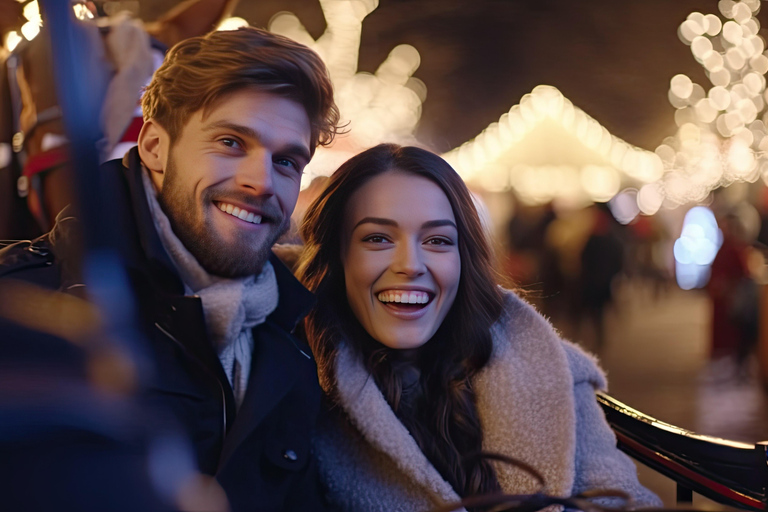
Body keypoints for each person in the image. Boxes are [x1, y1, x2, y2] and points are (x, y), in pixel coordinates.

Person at [0, 27, 340, 512]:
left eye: (286, 161)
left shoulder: (295, 343)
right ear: (155, 147)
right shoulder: (28, 310)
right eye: (230, 142)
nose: (261, 182)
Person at [297, 144, 661, 510]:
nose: (410, 265)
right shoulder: (286, 377)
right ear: (337, 256)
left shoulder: (552, 372)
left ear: (463, 257)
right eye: (378, 238)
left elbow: (627, 500)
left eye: (437, 240)